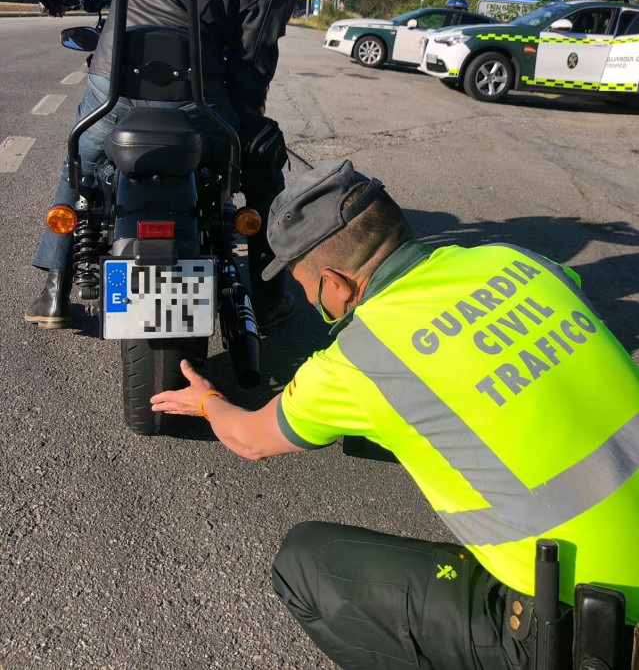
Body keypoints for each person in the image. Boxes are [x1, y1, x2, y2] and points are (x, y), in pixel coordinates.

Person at [150, 158, 639, 669]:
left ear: (333, 285)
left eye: (303, 285)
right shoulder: (516, 260)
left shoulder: (356, 361)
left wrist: (207, 401)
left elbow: (249, 438)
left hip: (588, 630)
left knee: (305, 563)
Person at [25, 0, 348, 334]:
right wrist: (250, 126)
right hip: (197, 103)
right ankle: (270, 298)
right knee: (264, 166)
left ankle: (54, 292)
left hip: (114, 84)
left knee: (79, 168)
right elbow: (251, 69)